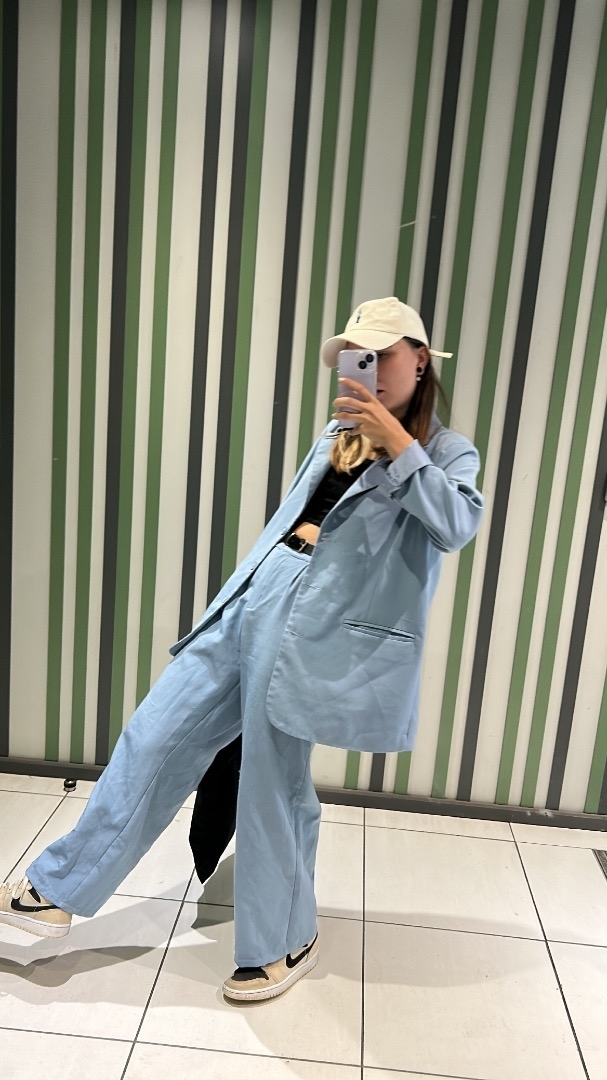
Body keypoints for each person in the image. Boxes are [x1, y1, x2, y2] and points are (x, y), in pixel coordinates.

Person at [0, 297, 484, 1002]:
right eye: (359, 357)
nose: (371, 369)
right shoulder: (336, 433)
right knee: (155, 734)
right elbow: (298, 520)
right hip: (258, 594)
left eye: (383, 355)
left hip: (319, 624)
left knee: (269, 781)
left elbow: (457, 524)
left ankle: (283, 939)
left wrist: (398, 447)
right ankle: (59, 886)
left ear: (419, 360)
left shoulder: (445, 452)